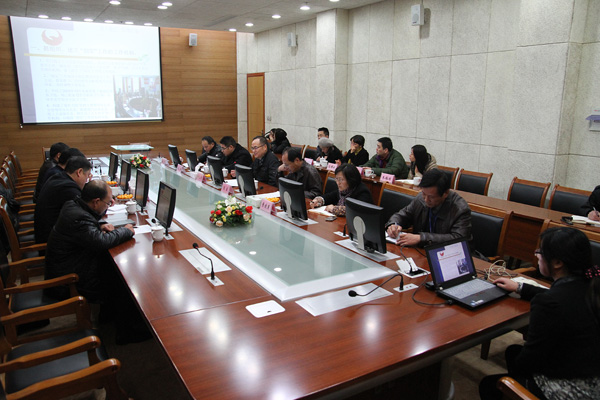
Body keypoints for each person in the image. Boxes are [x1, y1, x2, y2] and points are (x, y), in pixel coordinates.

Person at [479, 227, 600, 400]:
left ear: (557, 263)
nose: (536, 255)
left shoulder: (549, 303)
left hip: (574, 391)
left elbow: (531, 358)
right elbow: (557, 295)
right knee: (513, 351)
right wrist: (520, 287)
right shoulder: (590, 286)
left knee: (490, 384)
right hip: (591, 374)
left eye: (540, 252)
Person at [45, 180, 148, 344]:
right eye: (108, 202)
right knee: (123, 277)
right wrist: (126, 231)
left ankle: (109, 316)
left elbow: (88, 233)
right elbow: (101, 242)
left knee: (112, 268)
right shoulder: (79, 218)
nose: (109, 205)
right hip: (68, 280)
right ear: (95, 202)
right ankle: (127, 331)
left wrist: (98, 227)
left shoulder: (73, 205)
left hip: (69, 265)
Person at [385, 168, 471, 247]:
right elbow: (402, 215)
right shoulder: (420, 199)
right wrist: (393, 224)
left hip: (448, 253)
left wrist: (421, 238)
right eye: (424, 194)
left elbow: (459, 239)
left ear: (445, 193)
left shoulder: (460, 209)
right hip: (421, 251)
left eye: (431, 197)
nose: (426, 200)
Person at [34, 156, 92, 244]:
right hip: (51, 243)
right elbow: (87, 213)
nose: (86, 180)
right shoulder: (68, 188)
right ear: (79, 172)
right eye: (87, 176)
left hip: (48, 234)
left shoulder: (59, 177)